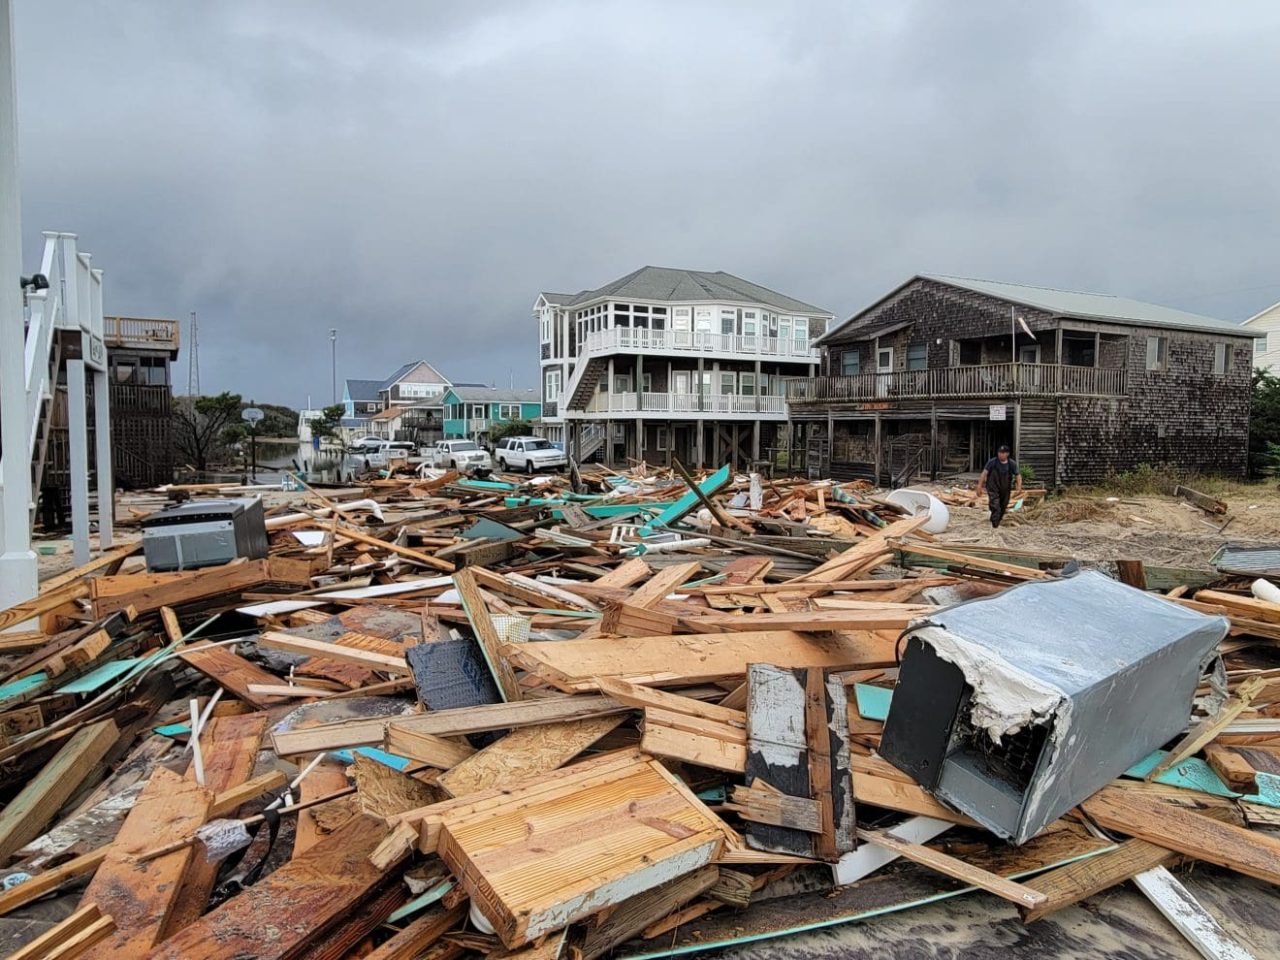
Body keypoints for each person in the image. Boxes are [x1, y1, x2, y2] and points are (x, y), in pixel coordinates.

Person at [976, 444, 1023, 529]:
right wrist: (979, 486)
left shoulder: (1011, 464)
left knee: (1003, 506)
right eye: (999, 452)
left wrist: (1019, 487)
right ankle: (995, 527)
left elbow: (1018, 475)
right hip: (993, 487)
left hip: (1005, 489)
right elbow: (984, 473)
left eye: (1003, 453)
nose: (1000, 454)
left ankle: (995, 520)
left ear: (1007, 454)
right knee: (995, 505)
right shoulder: (992, 462)